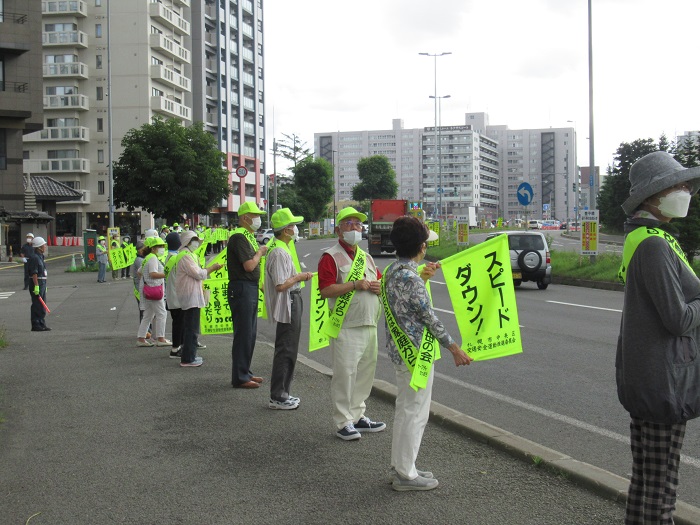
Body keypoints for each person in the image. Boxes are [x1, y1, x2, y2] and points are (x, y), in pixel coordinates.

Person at [617, 151, 700, 523]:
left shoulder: (651, 237)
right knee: (660, 484)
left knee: (652, 480)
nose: (686, 192)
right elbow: (678, 318)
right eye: (678, 186)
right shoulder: (653, 244)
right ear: (654, 195)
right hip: (660, 378)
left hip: (654, 373)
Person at [382, 216, 472, 491]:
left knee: (406, 410)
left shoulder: (392, 271)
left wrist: (423, 275)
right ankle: (406, 475)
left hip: (400, 353)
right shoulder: (412, 279)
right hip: (416, 356)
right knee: (415, 413)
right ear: (421, 247)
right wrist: (455, 349)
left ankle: (403, 465)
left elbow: (405, 305)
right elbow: (430, 319)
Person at [318, 206, 385, 440]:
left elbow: (378, 280)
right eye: (349, 224)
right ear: (338, 230)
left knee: (366, 373)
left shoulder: (365, 256)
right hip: (345, 325)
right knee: (345, 374)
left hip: (369, 323)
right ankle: (342, 421)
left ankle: (358, 415)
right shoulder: (330, 256)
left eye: (358, 224)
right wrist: (353, 285)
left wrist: (379, 286)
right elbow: (326, 290)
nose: (355, 228)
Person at [264, 208, 312, 409]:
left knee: (289, 347)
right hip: (288, 302)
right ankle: (278, 395)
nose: (296, 229)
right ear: (285, 230)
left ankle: (283, 392)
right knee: (286, 348)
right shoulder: (278, 252)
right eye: (293, 226)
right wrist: (300, 277)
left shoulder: (281, 249)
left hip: (292, 301)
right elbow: (281, 284)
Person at [227, 201, 268, 388]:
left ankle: (246, 372)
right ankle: (240, 377)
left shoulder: (247, 236)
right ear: (245, 217)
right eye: (255, 215)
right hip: (242, 288)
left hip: (249, 287)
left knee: (250, 333)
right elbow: (249, 265)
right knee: (244, 334)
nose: (258, 219)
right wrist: (260, 252)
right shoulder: (239, 237)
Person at [174, 230, 223, 367]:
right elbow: (198, 274)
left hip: (190, 295)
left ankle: (189, 355)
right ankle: (188, 358)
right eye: (194, 240)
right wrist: (212, 268)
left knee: (191, 327)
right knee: (192, 328)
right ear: (187, 241)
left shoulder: (187, 254)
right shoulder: (185, 256)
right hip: (190, 296)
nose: (197, 243)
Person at [136, 236, 171, 348]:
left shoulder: (147, 257)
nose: (162, 248)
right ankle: (161, 338)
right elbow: (153, 273)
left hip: (147, 290)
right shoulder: (153, 258)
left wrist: (145, 281)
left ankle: (141, 339)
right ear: (152, 248)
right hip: (155, 290)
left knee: (148, 315)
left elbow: (139, 272)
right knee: (162, 313)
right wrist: (166, 275)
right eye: (159, 246)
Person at [164, 231, 184, 359]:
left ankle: (179, 346)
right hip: (178, 296)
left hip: (172, 295)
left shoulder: (169, 257)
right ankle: (175, 348)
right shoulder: (176, 258)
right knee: (179, 323)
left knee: (178, 322)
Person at [27, 236, 51, 332]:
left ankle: (42, 323)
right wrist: (36, 286)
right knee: (37, 304)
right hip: (37, 283)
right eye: (43, 245)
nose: (45, 246)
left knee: (42, 304)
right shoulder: (34, 258)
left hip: (42, 282)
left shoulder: (41, 256)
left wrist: (44, 285)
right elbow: (34, 273)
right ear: (39, 247)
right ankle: (36, 324)